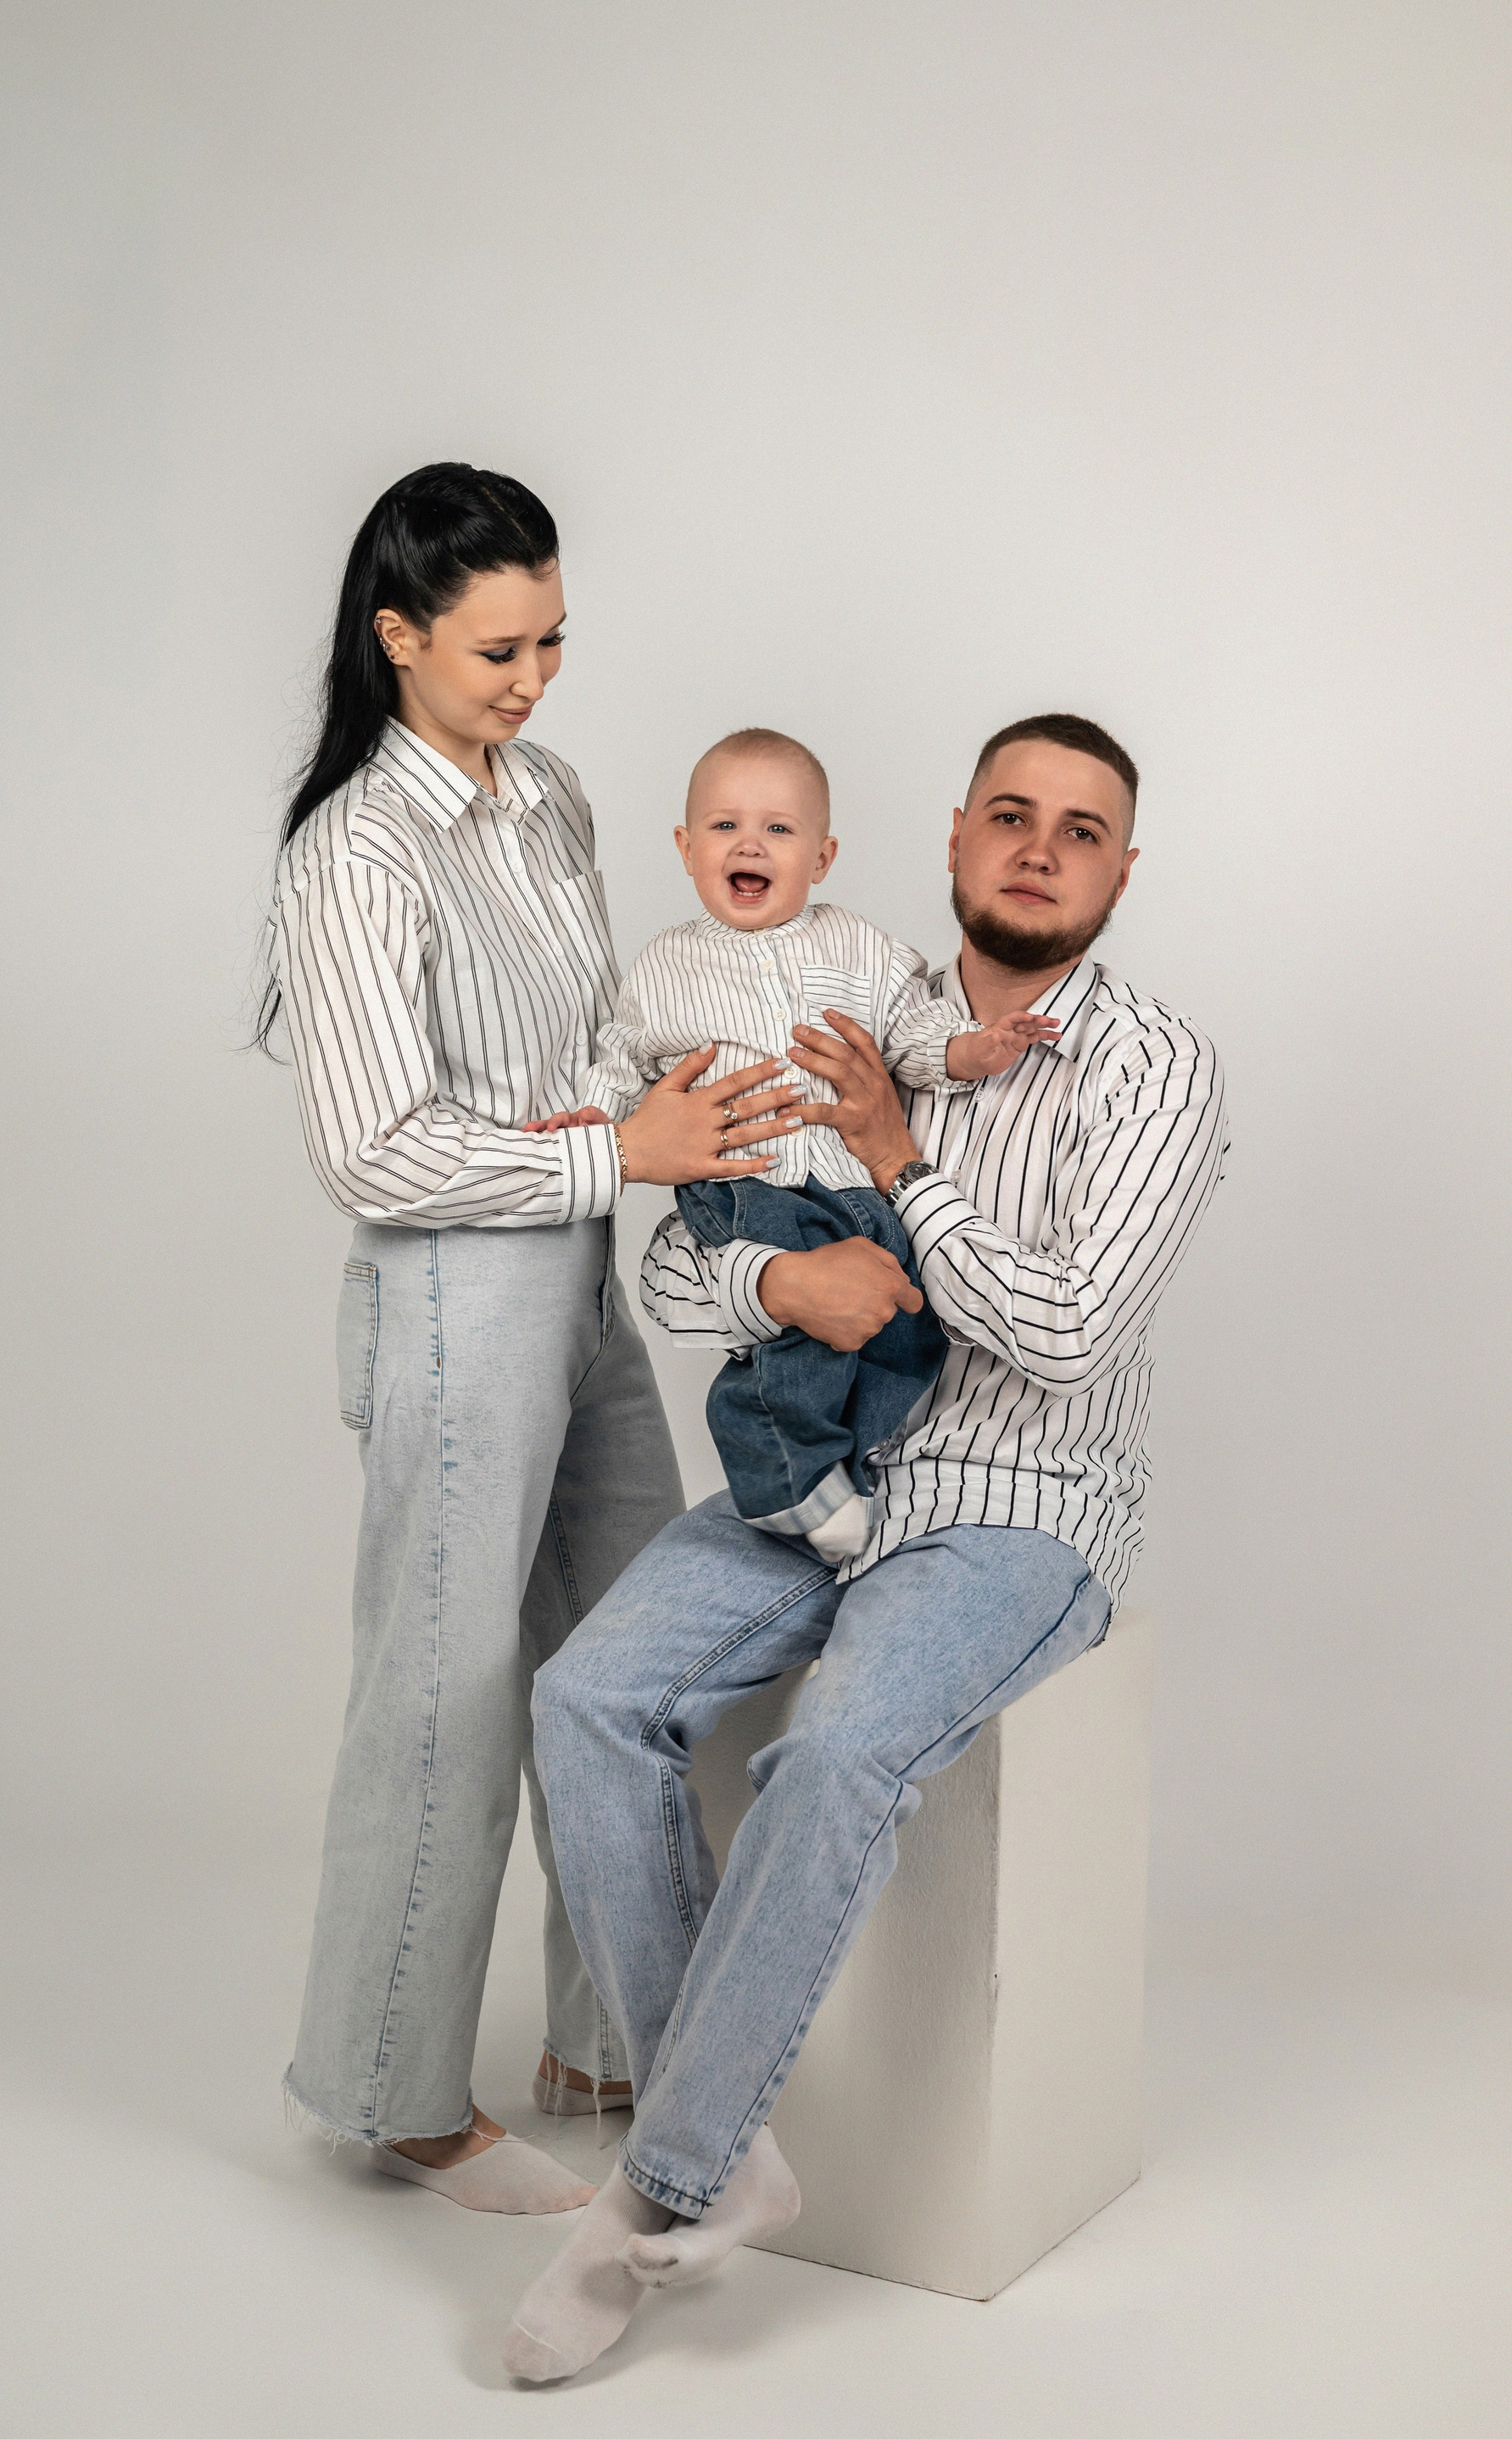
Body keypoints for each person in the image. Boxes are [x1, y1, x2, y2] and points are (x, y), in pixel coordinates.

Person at [504, 712, 1228, 2375]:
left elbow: (1068, 1332)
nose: (1041, 848)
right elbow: (679, 1263)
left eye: (1083, 829)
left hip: (1017, 1505)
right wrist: (782, 1278)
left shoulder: (1154, 1068)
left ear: (1121, 871)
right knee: (586, 1699)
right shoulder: (840, 1003)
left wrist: (903, 1169)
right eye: (1013, 814)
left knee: (835, 1752)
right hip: (824, 1470)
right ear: (958, 835)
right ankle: (726, 2134)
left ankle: (658, 2187)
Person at [265, 463, 804, 2215]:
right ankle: (396, 2093)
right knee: (447, 1691)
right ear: (398, 636)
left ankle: (601, 2038)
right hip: (451, 1294)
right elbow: (373, 1148)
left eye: (554, 639)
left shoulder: (550, 794)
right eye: (499, 649)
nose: (535, 678)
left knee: (629, 1649)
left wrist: (683, 1092)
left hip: (574, 1272)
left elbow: (583, 1036)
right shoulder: (354, 853)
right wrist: (611, 1150)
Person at [526, 726, 1062, 1560]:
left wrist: (972, 1050)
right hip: (745, 1180)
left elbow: (911, 1034)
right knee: (808, 1314)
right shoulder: (667, 963)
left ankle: (852, 1463)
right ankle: (782, 1471)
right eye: (725, 825)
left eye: (778, 828)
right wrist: (596, 1119)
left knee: (906, 1316)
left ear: (822, 857)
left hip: (852, 1184)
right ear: (686, 849)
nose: (749, 844)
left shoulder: (861, 946)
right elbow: (625, 1060)